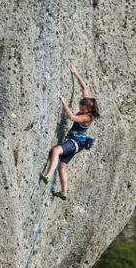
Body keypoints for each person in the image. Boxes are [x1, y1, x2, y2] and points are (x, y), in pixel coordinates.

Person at [41, 64, 101, 200]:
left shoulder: (87, 117)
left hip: (76, 142)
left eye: (82, 107)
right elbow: (84, 87)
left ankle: (48, 176)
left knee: (56, 151)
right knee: (62, 167)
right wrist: (75, 73)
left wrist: (64, 104)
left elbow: (72, 117)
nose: (80, 108)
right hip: (77, 144)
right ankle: (63, 193)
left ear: (88, 109)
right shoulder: (87, 105)